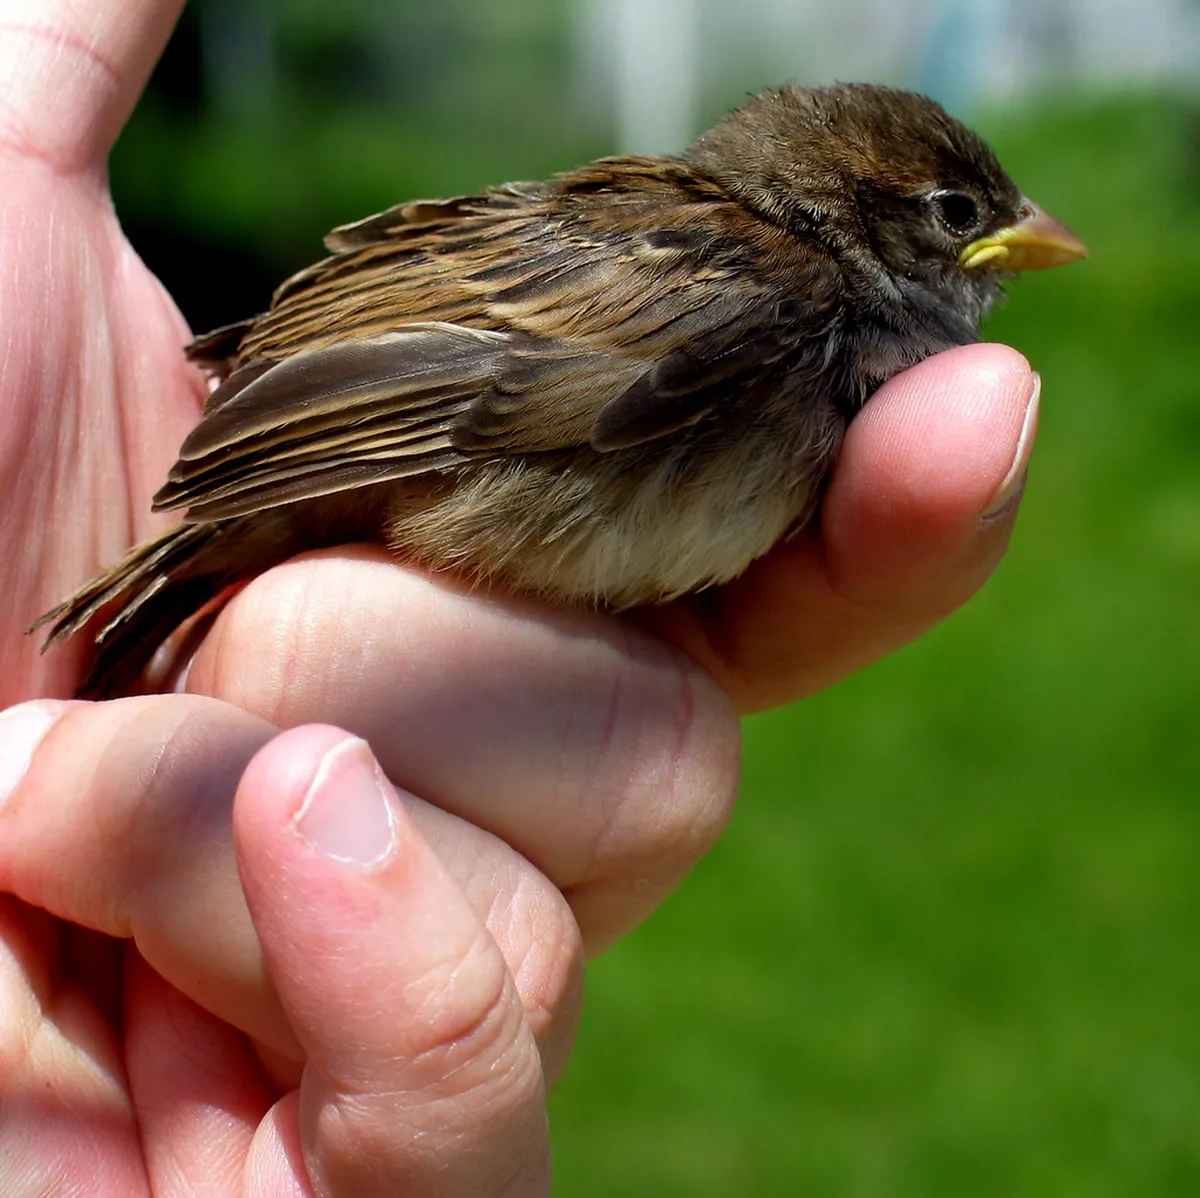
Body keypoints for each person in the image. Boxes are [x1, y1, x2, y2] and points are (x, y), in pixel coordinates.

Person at [0, 2, 1041, 1193]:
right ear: (860, 210)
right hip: (375, 455)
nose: (1022, 241)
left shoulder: (782, 311)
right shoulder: (766, 283)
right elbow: (478, 371)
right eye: (960, 220)